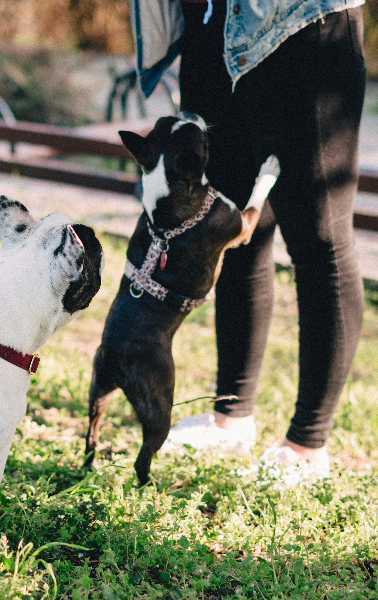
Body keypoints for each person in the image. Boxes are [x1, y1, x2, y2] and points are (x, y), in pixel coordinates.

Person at [131, 0, 366, 479]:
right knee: (232, 226)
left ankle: (307, 444)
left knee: (321, 243)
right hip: (209, 28)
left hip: (300, 22)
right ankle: (232, 417)